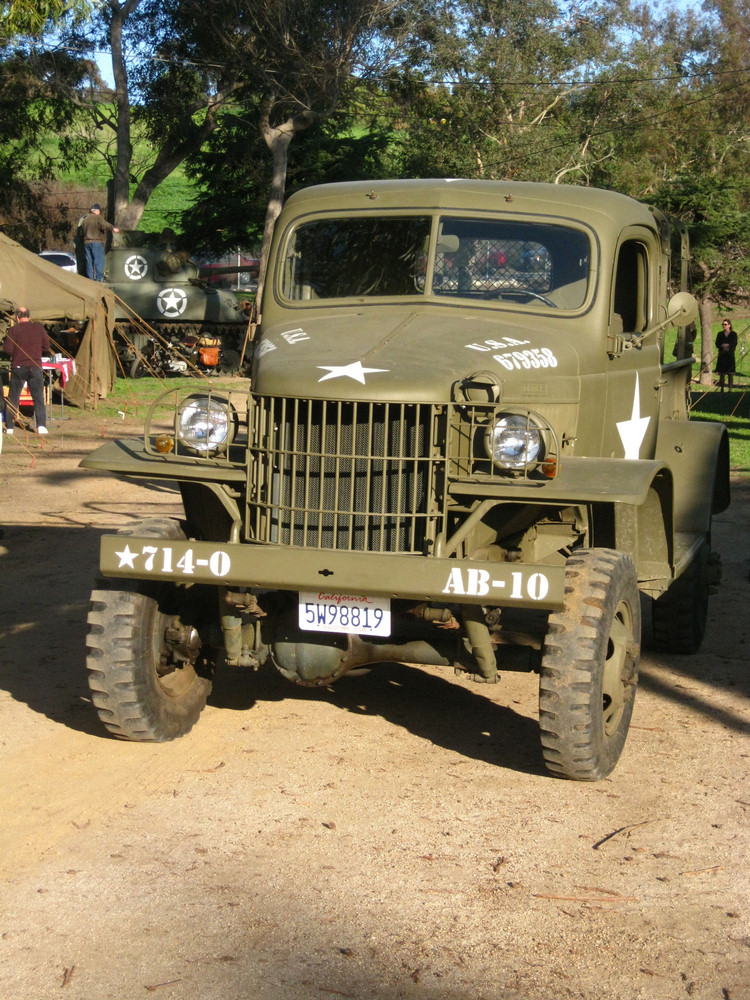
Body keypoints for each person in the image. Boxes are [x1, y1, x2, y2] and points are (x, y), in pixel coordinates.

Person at [2, 307, 51, 434]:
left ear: (17, 318)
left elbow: (7, 349)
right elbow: (46, 346)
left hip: (18, 366)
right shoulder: (39, 328)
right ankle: (41, 426)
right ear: (29, 316)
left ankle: (10, 427)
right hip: (35, 366)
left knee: (14, 396)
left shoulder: (13, 330)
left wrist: (17, 354)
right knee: (38, 396)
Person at [79, 203, 119, 281]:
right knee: (99, 261)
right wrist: (113, 228)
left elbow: (81, 233)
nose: (100, 212)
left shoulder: (85, 220)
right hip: (96, 243)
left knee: (89, 262)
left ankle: (89, 280)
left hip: (86, 243)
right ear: (96, 211)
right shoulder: (98, 218)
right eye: (99, 211)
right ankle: (99, 279)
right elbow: (104, 224)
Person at [715, 318, 737, 391]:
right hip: (722, 355)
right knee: (722, 373)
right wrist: (722, 345)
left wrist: (728, 345)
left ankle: (730, 389)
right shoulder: (720, 334)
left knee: (730, 373)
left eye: (725, 324)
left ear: (729, 325)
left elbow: (734, 343)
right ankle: (721, 388)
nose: (724, 326)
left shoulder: (733, 334)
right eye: (723, 324)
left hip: (730, 355)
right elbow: (717, 343)